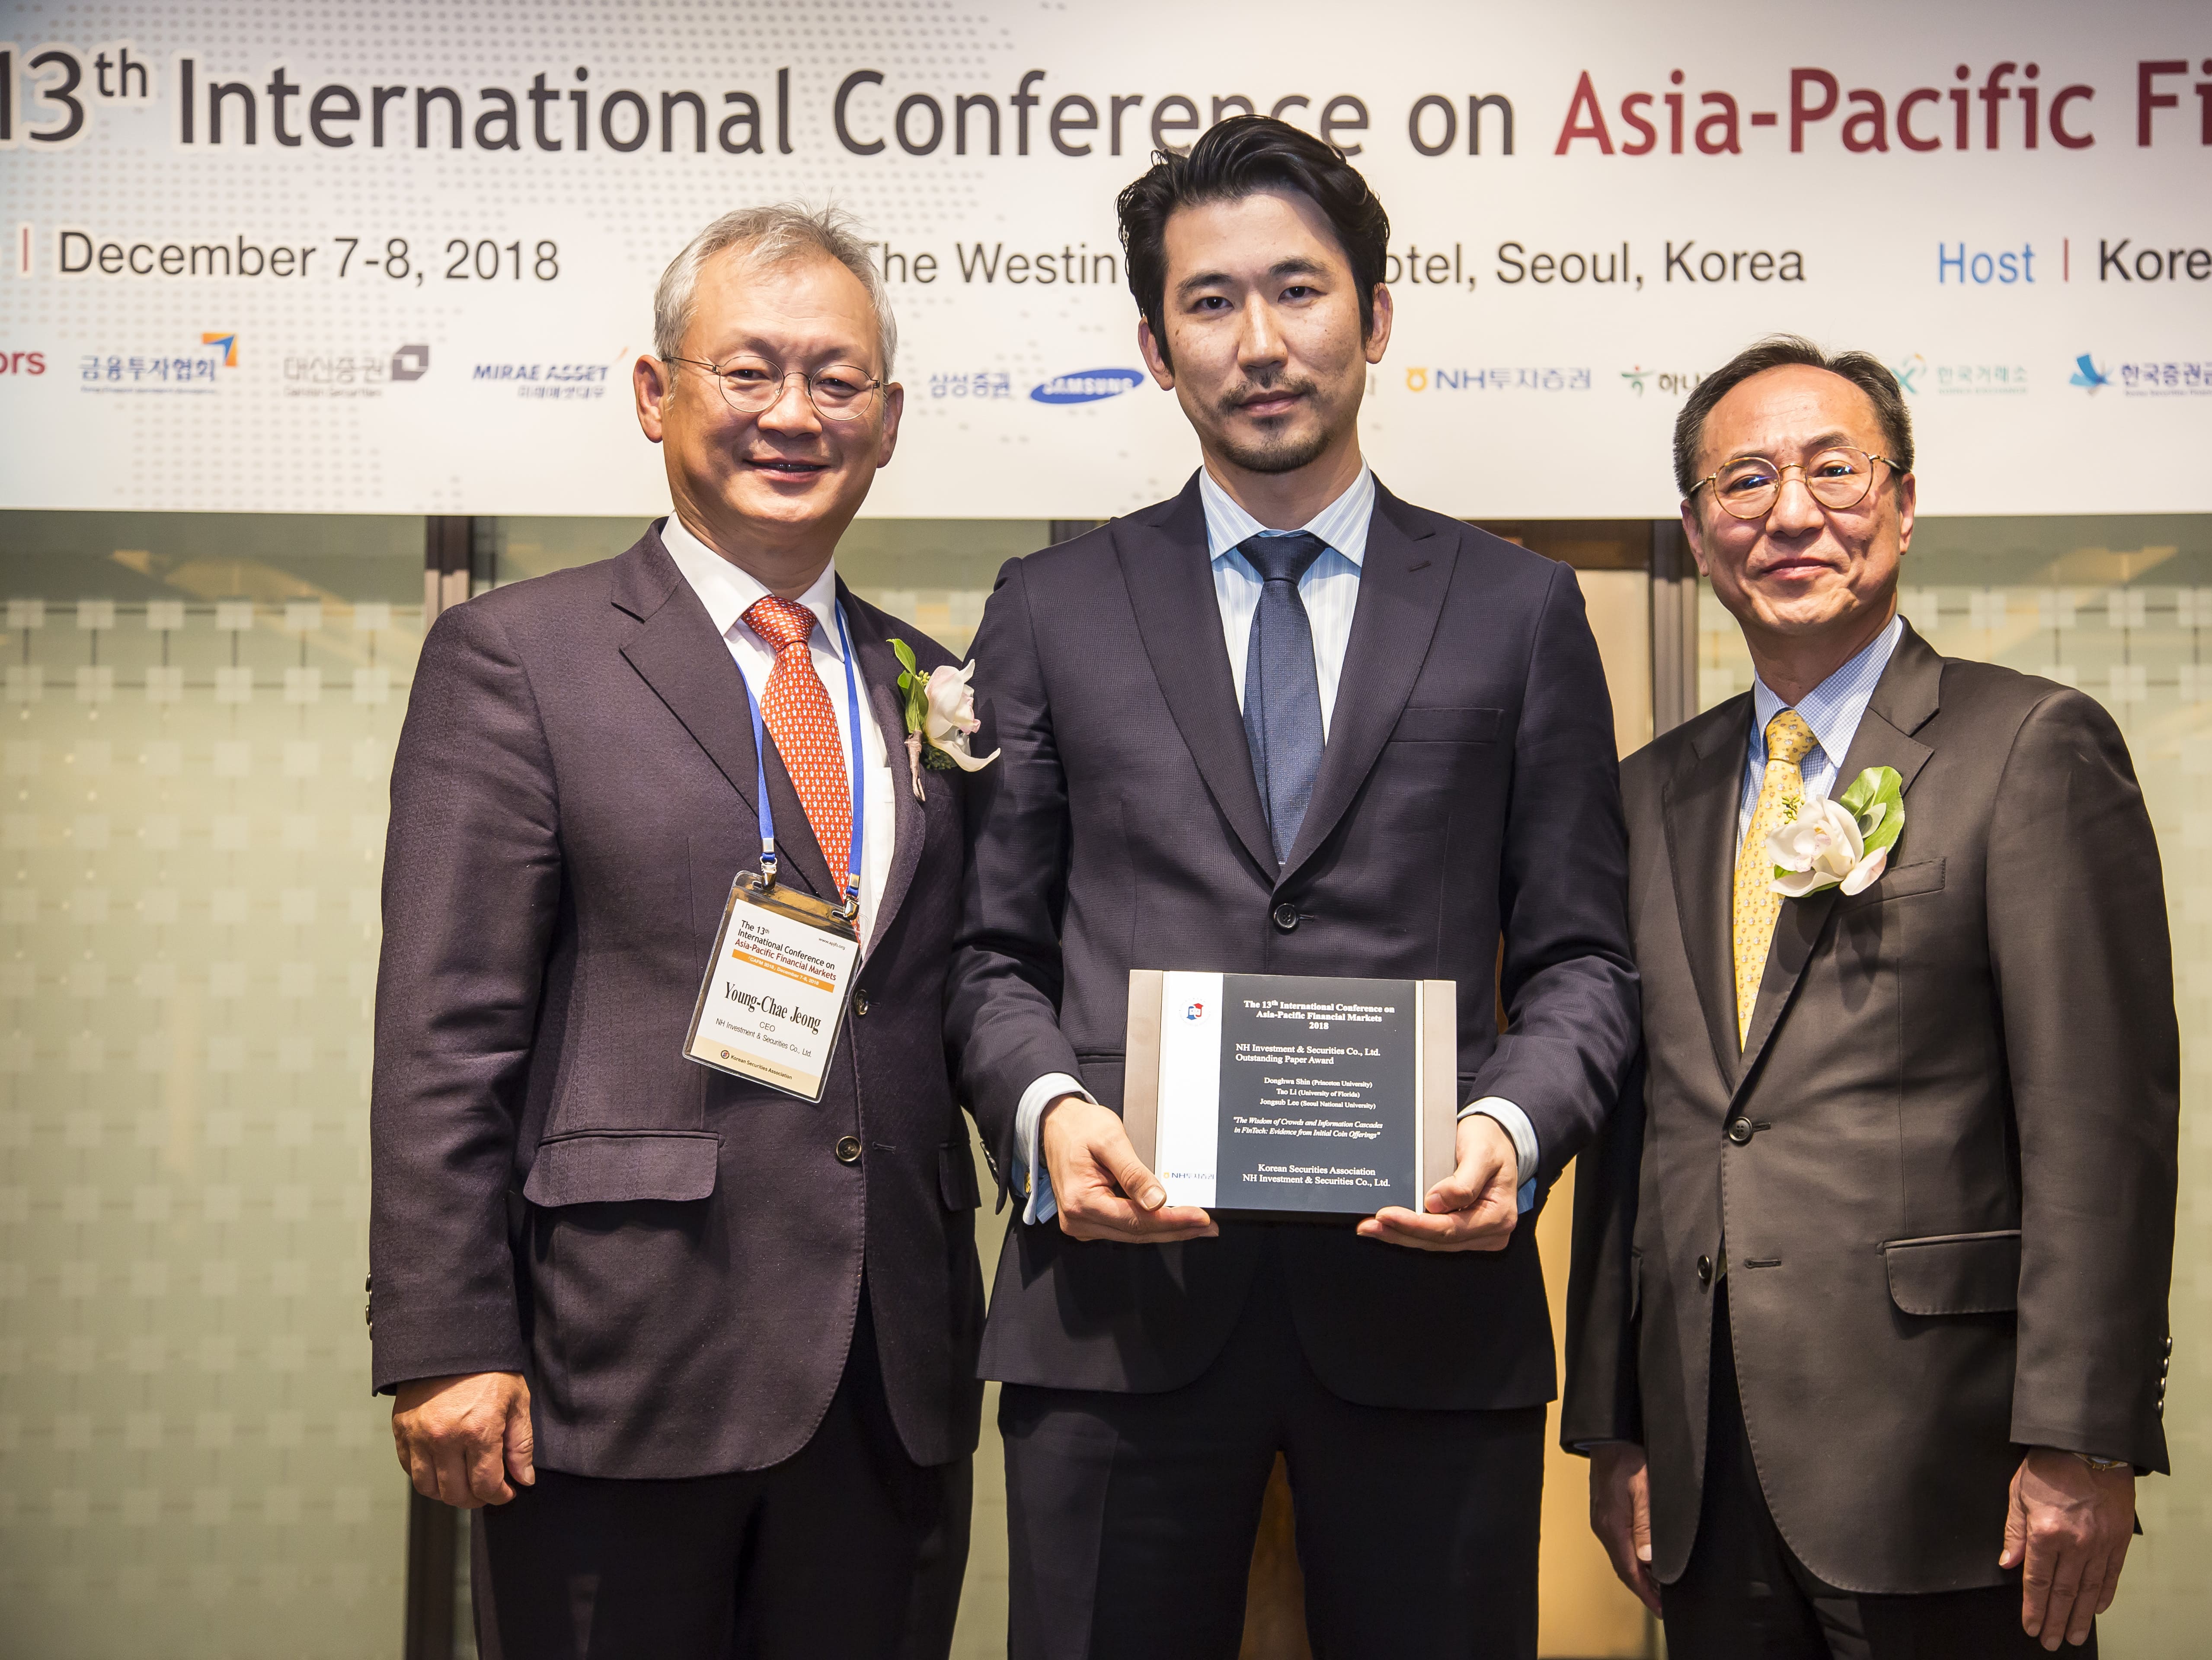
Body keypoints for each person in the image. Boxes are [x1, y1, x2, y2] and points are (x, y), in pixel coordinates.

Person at [946, 115, 1639, 1658]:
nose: (1259, 343)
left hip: (1426, 1308)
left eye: (1299, 291)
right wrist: (1049, 1117)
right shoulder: (1052, 608)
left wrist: (1510, 1132)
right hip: (1116, 1307)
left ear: (1375, 317)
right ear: (1156, 346)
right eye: (1210, 302)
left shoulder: (1520, 611)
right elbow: (990, 954)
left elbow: (1586, 960)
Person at [368, 204, 984, 1659]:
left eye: (837, 379)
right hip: (616, 1364)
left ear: (889, 421)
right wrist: (448, 1339)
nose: (794, 414)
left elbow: (959, 994)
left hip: (889, 1373)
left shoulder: (935, 680)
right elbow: (447, 1031)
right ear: (657, 394)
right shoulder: (520, 658)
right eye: (748, 371)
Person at [1563, 335, 2179, 1657]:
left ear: (1902, 503)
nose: (1792, 513)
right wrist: (1617, 1425)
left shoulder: (2028, 746)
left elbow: (2100, 1125)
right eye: (1745, 481)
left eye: (1834, 471)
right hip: (1706, 1460)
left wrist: (2085, 1434)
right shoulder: (1646, 794)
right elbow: (1640, 1131)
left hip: (1955, 1464)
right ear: (1696, 534)